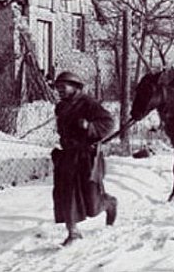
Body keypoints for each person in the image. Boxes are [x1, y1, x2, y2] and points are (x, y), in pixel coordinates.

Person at [52, 71, 117, 246]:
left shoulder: (89, 104)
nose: (60, 90)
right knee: (66, 194)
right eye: (58, 88)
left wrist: (90, 126)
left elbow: (109, 123)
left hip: (87, 157)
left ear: (75, 86)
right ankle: (73, 232)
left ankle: (109, 203)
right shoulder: (61, 107)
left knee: (92, 203)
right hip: (68, 155)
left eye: (63, 86)